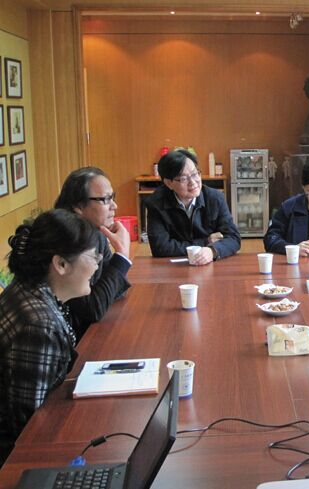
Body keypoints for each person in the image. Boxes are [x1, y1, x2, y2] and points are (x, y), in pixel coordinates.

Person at [0, 210, 99, 464]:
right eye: (92, 256)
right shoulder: (39, 325)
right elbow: (29, 427)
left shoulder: (29, 289)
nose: (97, 264)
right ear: (61, 264)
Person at [54, 167, 131, 338]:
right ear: (79, 206)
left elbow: (117, 290)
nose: (114, 206)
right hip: (66, 339)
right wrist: (122, 255)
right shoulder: (66, 242)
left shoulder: (97, 234)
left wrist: (108, 286)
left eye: (113, 197)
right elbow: (93, 309)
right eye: (105, 199)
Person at [145, 149, 241, 262]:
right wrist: (206, 242)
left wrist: (212, 251)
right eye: (184, 178)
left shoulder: (215, 198)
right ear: (169, 183)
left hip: (210, 264)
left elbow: (234, 238)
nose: (193, 182)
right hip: (174, 267)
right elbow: (160, 248)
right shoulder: (156, 204)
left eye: (195, 174)